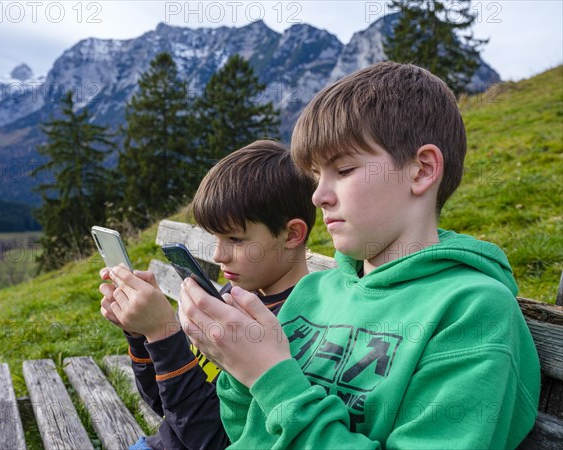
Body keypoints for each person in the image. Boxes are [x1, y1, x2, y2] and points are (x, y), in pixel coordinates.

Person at [178, 61, 541, 449]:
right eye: (317, 176)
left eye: (344, 169)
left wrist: (270, 376)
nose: (318, 196)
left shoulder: (472, 312)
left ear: (420, 170)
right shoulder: (314, 291)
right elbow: (246, 434)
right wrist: (238, 365)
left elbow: (275, 395)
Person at [98, 140, 317, 449]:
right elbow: (165, 406)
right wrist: (139, 332)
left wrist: (163, 334)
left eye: (235, 240)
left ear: (292, 234)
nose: (218, 255)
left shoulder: (295, 326)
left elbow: (216, 440)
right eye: (215, 238)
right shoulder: (231, 296)